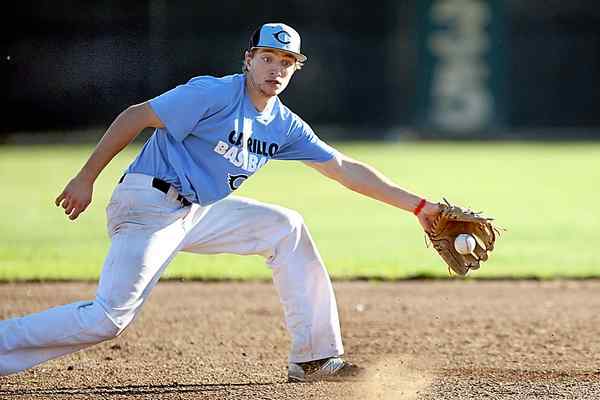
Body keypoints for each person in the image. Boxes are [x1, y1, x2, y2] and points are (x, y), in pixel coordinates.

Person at [0, 22, 441, 382]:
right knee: (106, 320)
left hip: (195, 211)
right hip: (149, 202)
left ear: (295, 69)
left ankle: (314, 358)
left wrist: (421, 208)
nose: (276, 68)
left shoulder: (284, 125)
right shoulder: (213, 93)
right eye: (267, 57)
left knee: (285, 227)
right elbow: (136, 115)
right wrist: (85, 177)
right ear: (248, 60)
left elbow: (343, 168)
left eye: (286, 61)